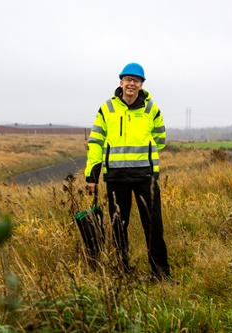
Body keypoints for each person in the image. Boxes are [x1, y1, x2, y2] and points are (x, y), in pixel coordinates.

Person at [84, 62, 176, 282]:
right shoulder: (107, 109)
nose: (131, 84)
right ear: (121, 82)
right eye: (128, 79)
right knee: (119, 226)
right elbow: (95, 142)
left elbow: (161, 140)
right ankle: (122, 273)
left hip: (145, 176)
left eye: (136, 80)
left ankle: (161, 274)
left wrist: (143, 150)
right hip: (116, 177)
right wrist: (91, 176)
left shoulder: (151, 109)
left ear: (142, 85)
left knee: (154, 226)